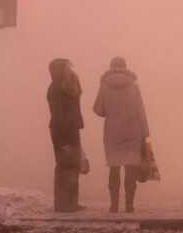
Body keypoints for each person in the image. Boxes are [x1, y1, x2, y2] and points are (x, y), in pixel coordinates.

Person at [93, 57, 150, 213]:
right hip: (133, 132)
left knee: (114, 168)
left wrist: (110, 110)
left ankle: (114, 205)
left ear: (111, 67)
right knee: (131, 169)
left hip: (112, 133)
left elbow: (98, 109)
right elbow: (141, 111)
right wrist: (146, 133)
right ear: (125, 67)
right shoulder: (133, 86)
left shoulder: (104, 86)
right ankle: (129, 205)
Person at [47, 58, 85, 213]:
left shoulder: (66, 86)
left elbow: (76, 96)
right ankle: (64, 205)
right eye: (67, 68)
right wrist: (64, 138)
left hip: (70, 128)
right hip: (63, 131)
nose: (71, 70)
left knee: (73, 166)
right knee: (65, 167)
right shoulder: (57, 89)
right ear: (60, 70)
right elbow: (59, 114)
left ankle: (71, 203)